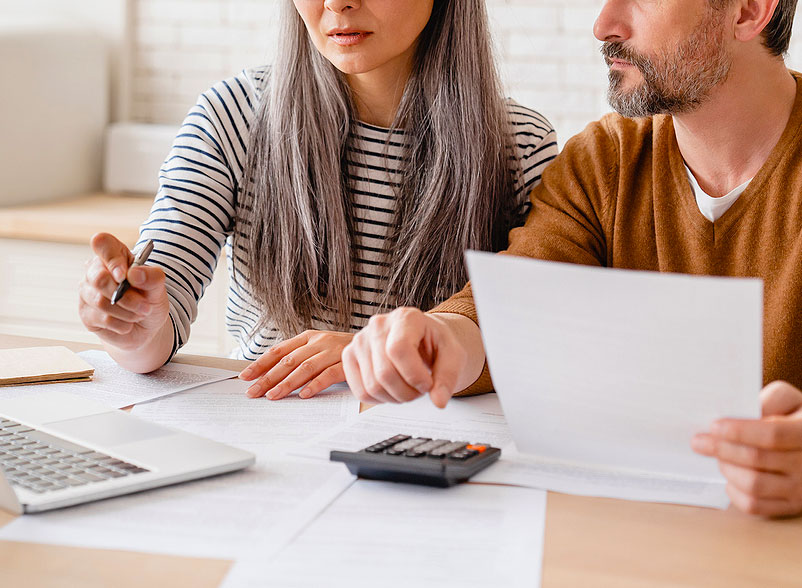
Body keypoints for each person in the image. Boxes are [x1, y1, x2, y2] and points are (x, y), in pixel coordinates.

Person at [343, 0, 802, 518]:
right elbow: (518, 307)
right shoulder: (603, 161)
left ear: (747, 10)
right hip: (637, 531)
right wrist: (439, 337)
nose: (603, 26)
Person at [77, 0, 557, 401]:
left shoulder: (520, 144)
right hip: (274, 442)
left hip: (437, 450)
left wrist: (371, 357)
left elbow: (530, 343)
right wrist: (133, 327)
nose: (336, 3)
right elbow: (160, 319)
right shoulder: (234, 116)